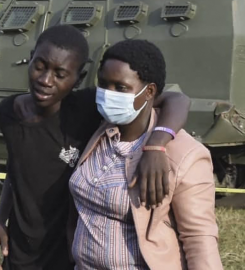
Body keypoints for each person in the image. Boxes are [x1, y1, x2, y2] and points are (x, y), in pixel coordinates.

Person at [0, 25, 191, 270]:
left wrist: (157, 144)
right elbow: (15, 168)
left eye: (60, 74)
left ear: (79, 78)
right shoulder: (9, 112)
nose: (45, 80)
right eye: (39, 66)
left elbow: (177, 99)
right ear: (30, 58)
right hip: (20, 248)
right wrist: (0, 218)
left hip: (67, 250)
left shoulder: (88, 109)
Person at [69, 39, 222, 269]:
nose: (108, 95)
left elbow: (199, 238)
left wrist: (155, 145)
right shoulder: (100, 129)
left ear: (149, 91)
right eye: (103, 84)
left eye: (120, 88)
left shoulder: (184, 155)